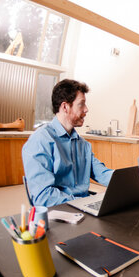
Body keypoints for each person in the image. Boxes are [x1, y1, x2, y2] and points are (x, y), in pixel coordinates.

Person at [22, 79, 113, 207]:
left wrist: (131, 181)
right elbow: (43, 196)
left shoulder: (82, 144)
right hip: (59, 211)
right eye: (81, 104)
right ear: (65, 107)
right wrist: (82, 202)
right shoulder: (40, 141)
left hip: (82, 207)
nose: (86, 109)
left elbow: (102, 173)